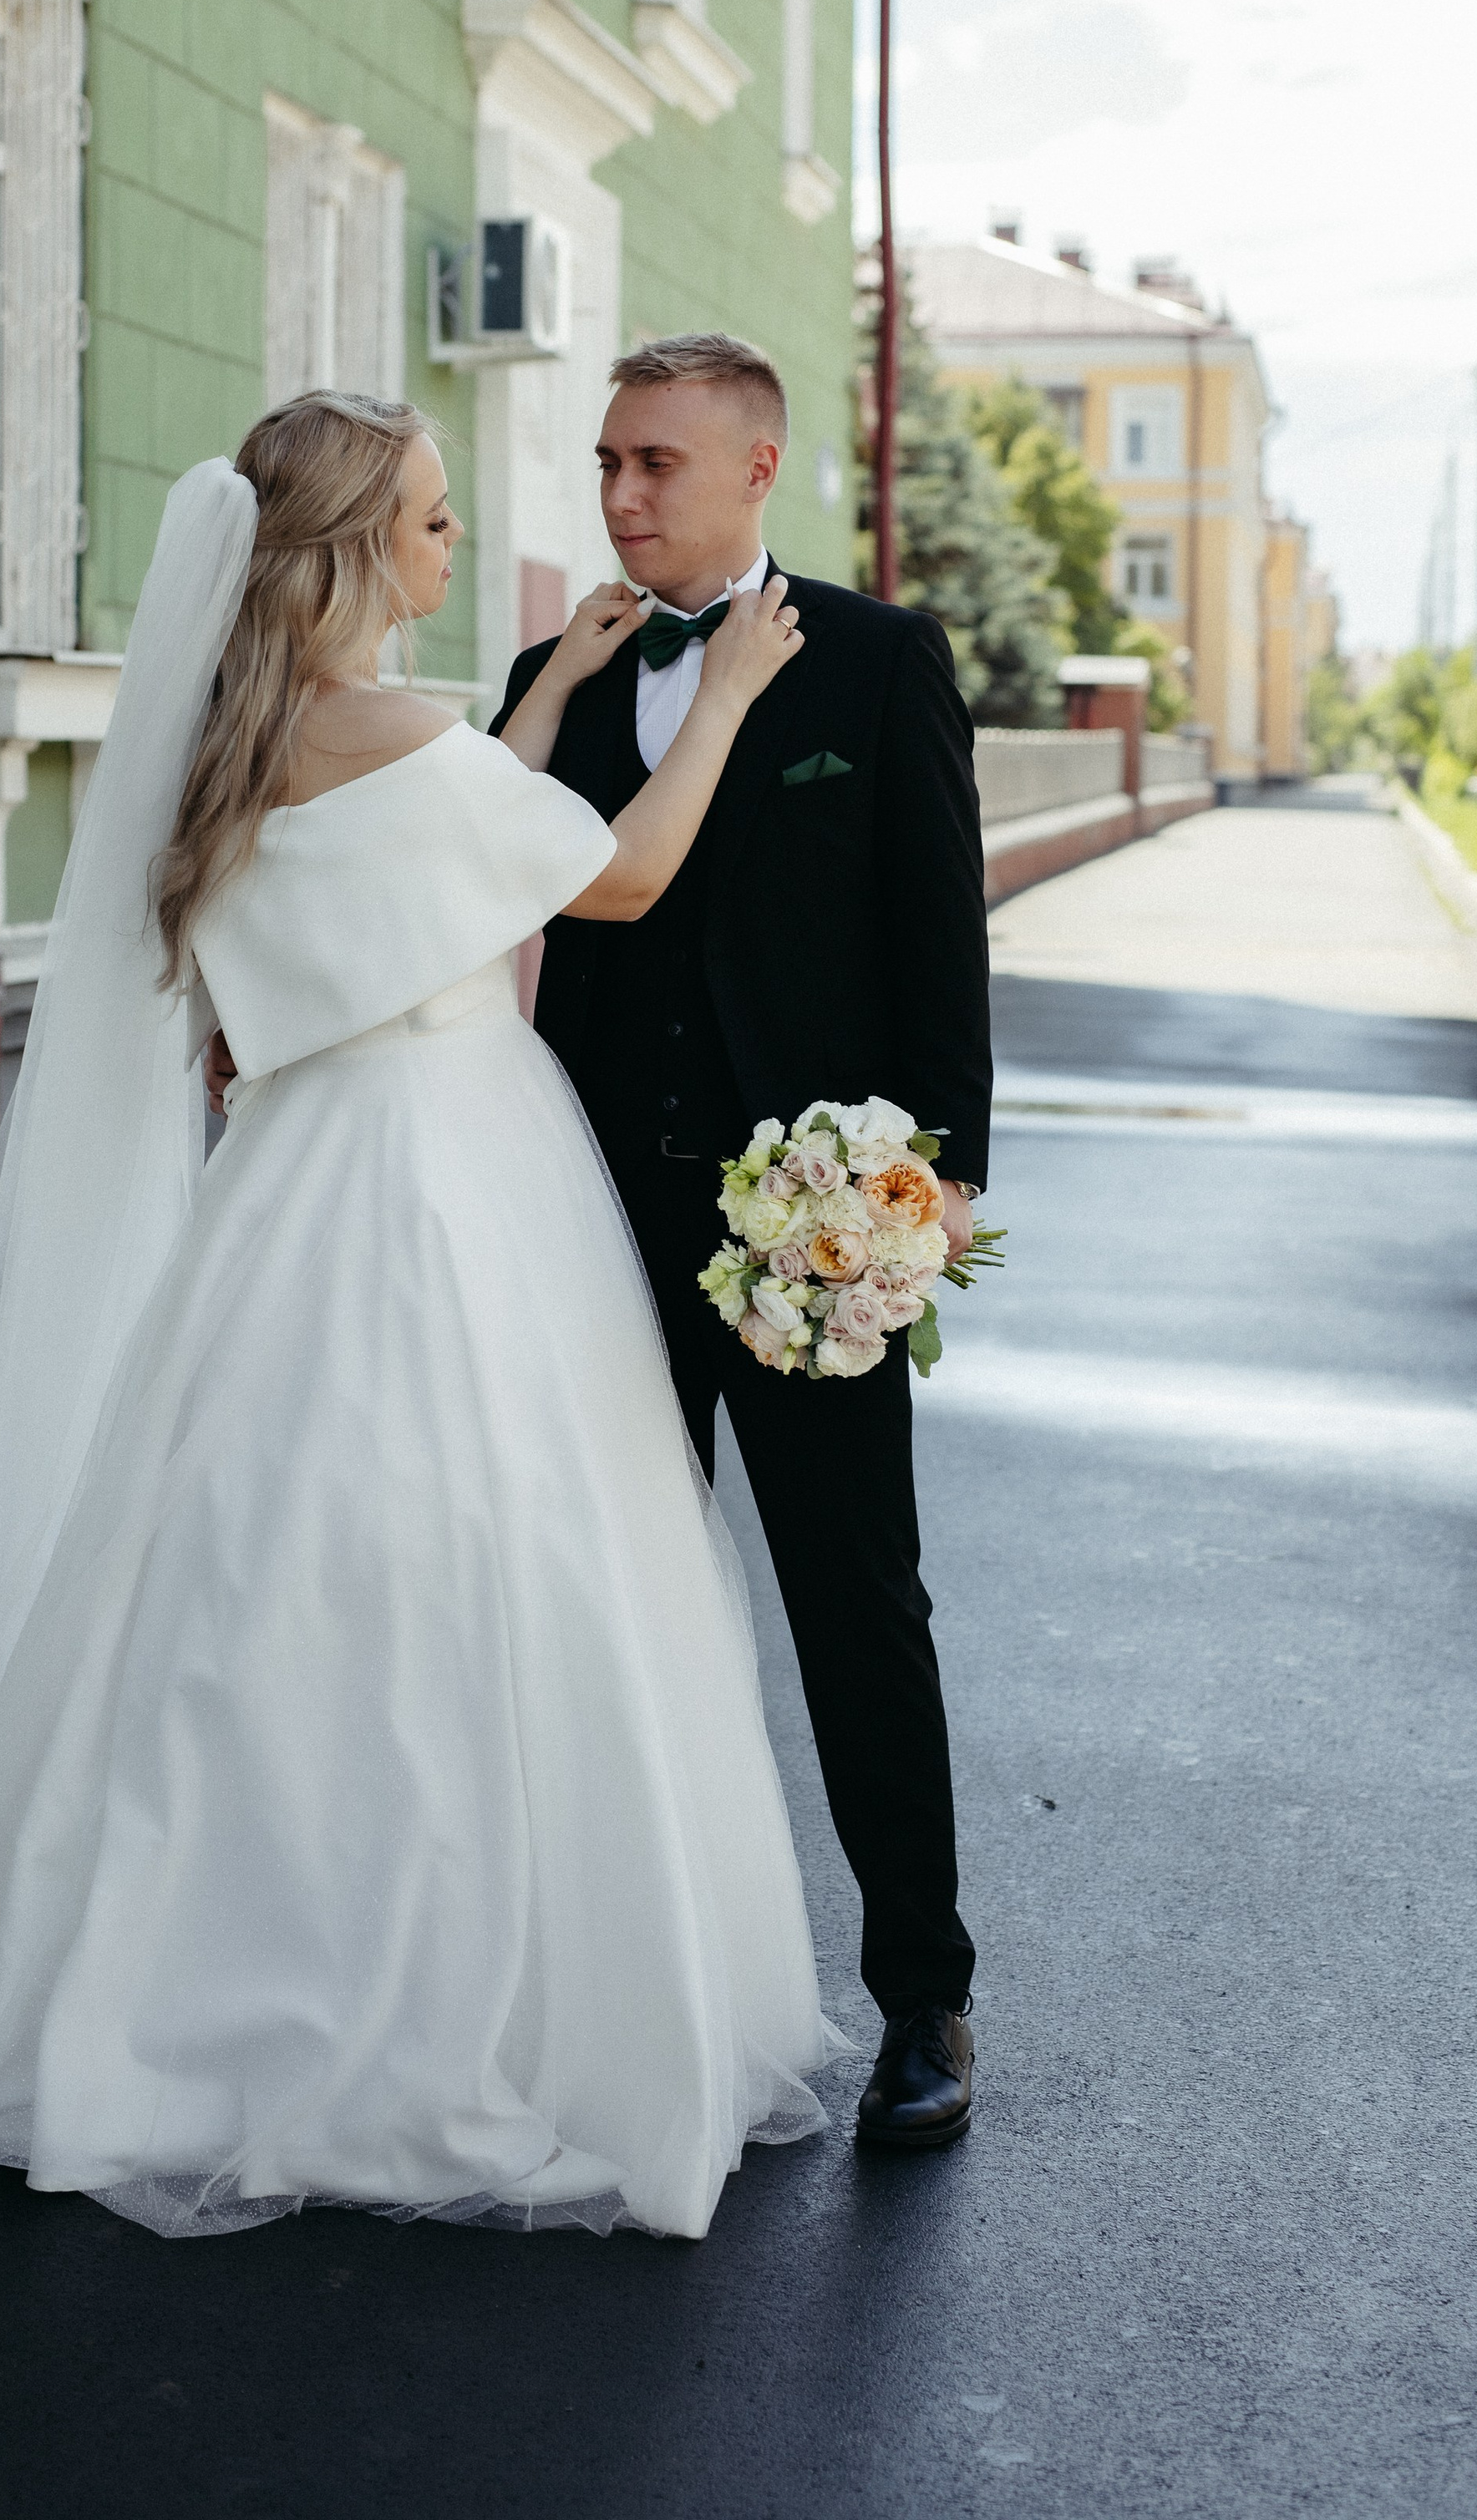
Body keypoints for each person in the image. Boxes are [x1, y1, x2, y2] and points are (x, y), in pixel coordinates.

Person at [0, 391, 839, 2243]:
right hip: (449, 1183)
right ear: (361, 544)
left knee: (238, 1571)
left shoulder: (242, 735)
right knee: (478, 1560)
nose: (456, 545)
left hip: (291, 1177)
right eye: (433, 519)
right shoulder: (408, 742)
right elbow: (612, 874)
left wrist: (547, 695)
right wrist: (733, 699)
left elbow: (436, 852)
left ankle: (158, 1974)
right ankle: (444, 1993)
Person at [488, 333, 991, 2153]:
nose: (620, 495)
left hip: (809, 1234)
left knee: (856, 1605)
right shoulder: (552, 674)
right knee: (595, 1607)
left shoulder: (874, 661)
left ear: (757, 470)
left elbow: (940, 957)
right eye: (606, 462)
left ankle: (923, 1994)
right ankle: (595, 1997)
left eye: (656, 464)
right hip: (589, 1224)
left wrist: (918, 1209)